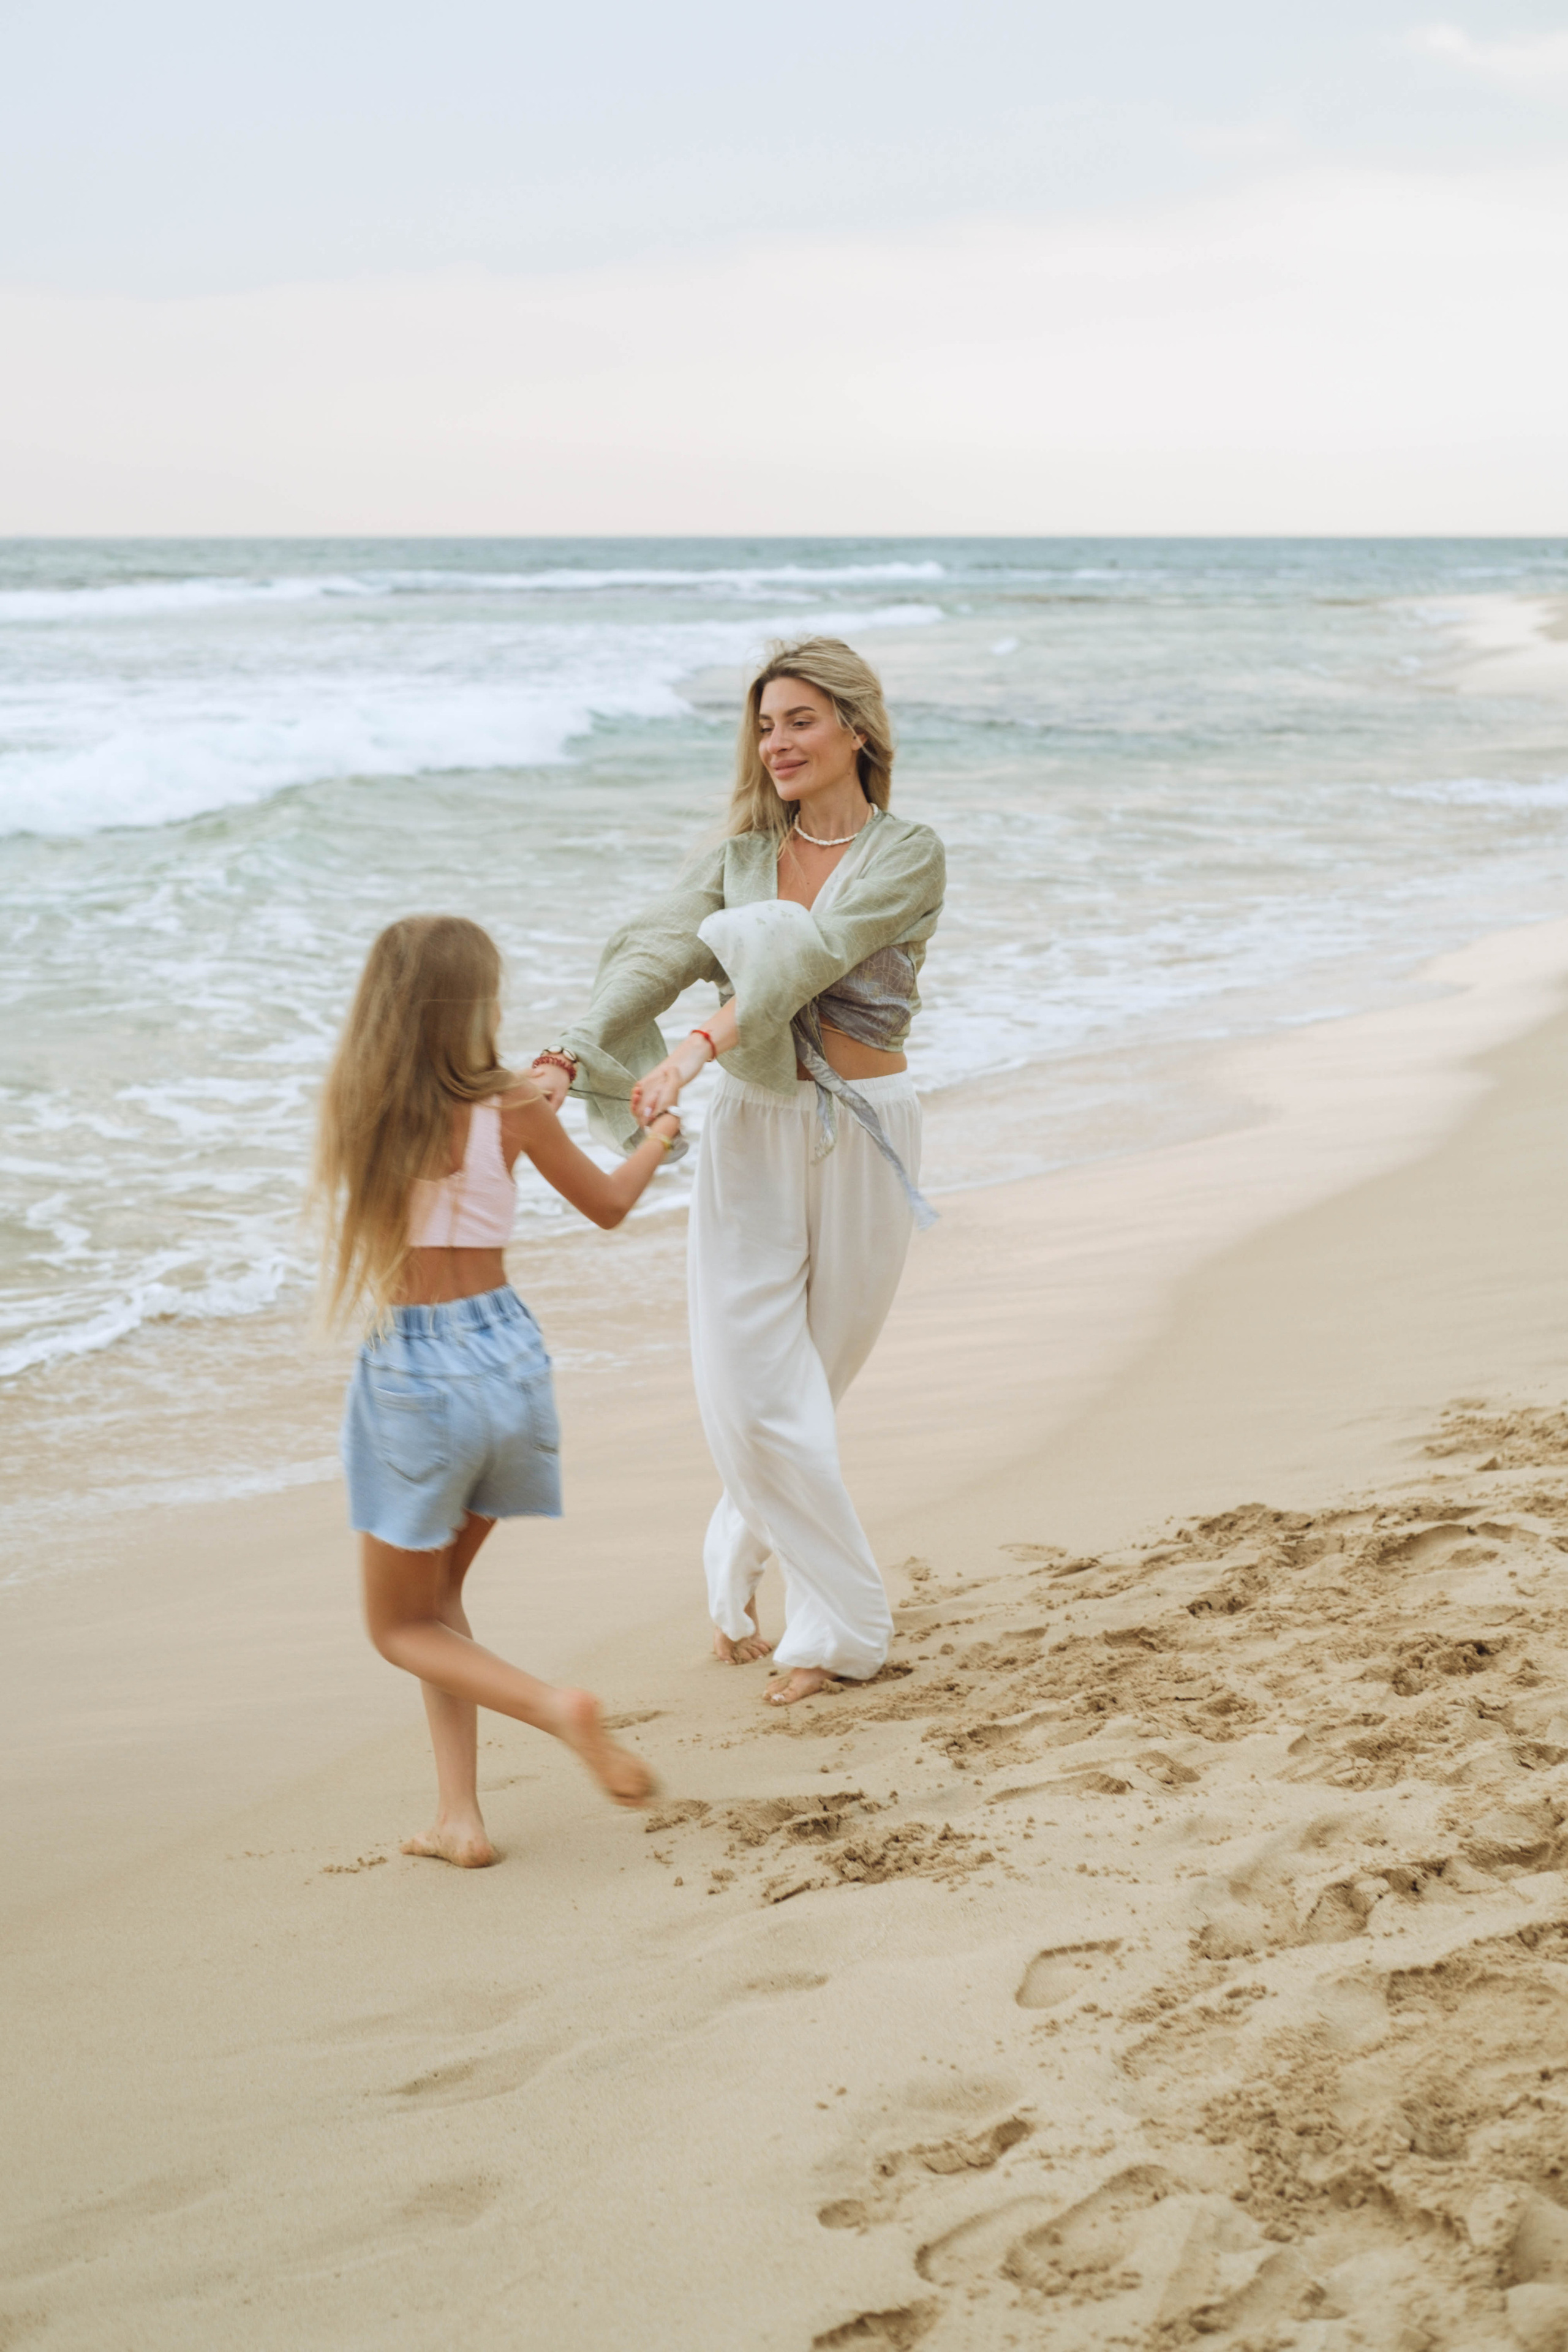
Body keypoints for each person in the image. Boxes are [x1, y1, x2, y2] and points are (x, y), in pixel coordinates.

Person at [532, 638, 945, 1705]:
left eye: (800, 720)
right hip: (756, 1132)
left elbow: (805, 954)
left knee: (809, 1386)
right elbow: (658, 950)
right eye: (765, 726)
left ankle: (734, 1555)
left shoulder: (909, 853)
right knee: (753, 1388)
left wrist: (697, 1045)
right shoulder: (739, 859)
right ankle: (845, 1627)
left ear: (858, 726)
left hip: (866, 1131)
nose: (777, 744)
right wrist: (569, 1052)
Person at [314, 914, 679, 1866]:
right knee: (437, 1608)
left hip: (416, 1374)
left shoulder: (361, 1108)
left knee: (398, 1626)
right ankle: (460, 1820)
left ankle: (554, 1709)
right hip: (510, 1357)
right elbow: (607, 1205)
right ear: (477, 1003)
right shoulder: (515, 1106)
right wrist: (660, 1138)